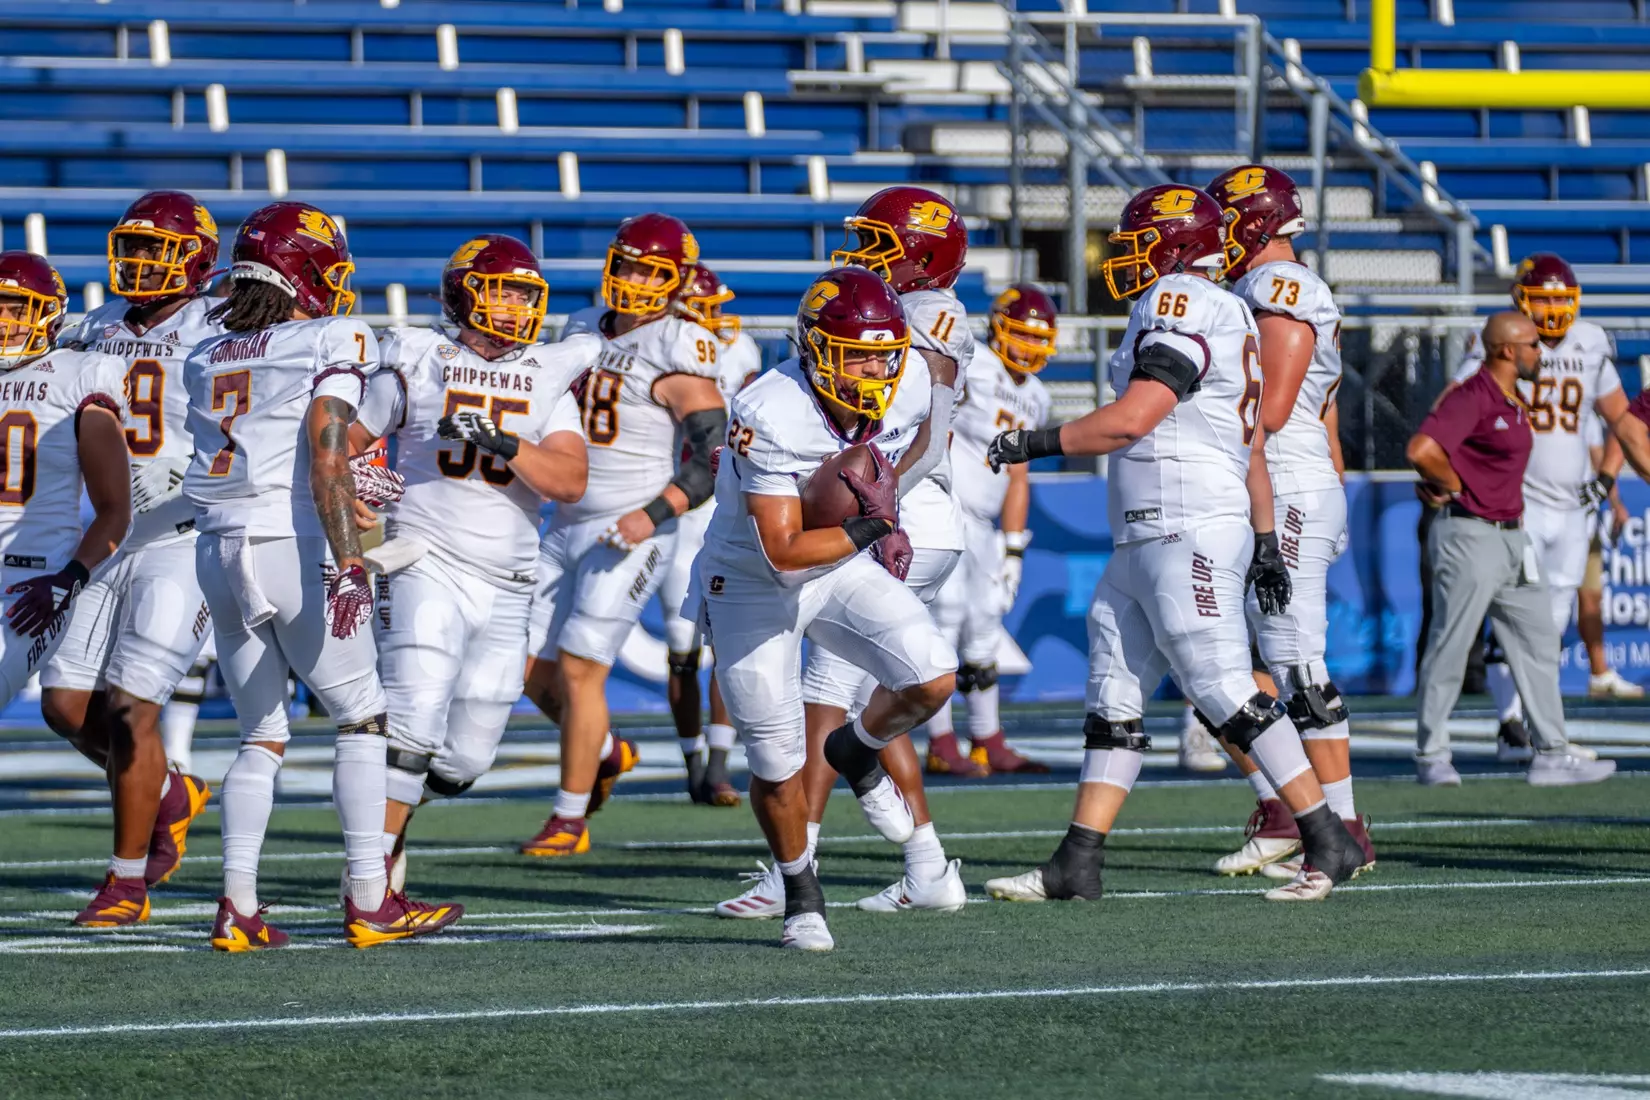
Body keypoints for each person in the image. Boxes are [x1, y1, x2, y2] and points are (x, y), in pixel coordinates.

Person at [982, 184, 1365, 905]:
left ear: (1178, 243)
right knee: (1113, 689)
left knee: (1222, 684)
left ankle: (1328, 837)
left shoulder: (1180, 302)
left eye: (1135, 241)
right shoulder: (1228, 314)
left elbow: (1134, 419)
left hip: (1180, 521)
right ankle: (1078, 860)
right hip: (1158, 528)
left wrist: (1028, 442)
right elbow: (1251, 448)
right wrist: (1262, 541)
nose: (1123, 256)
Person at [183, 201, 463, 950]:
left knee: (261, 734)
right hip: (292, 538)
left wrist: (346, 478)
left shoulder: (205, 350)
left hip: (218, 546)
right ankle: (370, 900)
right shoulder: (335, 334)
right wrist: (346, 560)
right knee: (362, 716)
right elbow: (326, 448)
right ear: (303, 271)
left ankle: (236, 907)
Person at [717, 187, 973, 922]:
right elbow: (783, 537)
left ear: (920, 256)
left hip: (898, 519)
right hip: (845, 532)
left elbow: (928, 437)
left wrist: (882, 510)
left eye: (881, 246)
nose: (864, 258)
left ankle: (800, 869)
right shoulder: (793, 391)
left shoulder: (917, 329)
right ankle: (910, 863)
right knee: (837, 705)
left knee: (830, 701)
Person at [352, 235, 592, 894]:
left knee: (463, 760)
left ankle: (377, 812)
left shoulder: (546, 376)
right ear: (463, 291)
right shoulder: (420, 359)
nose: (515, 306)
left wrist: (499, 437)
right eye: (501, 289)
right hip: (425, 558)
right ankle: (370, 885)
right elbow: (348, 439)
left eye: (524, 293)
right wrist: (356, 482)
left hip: (510, 579)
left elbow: (570, 482)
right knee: (415, 716)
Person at [520, 213, 727, 857]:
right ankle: (607, 751)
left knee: (583, 668)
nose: (635, 279)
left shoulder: (680, 344)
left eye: (651, 270)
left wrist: (652, 515)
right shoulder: (579, 324)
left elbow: (712, 458)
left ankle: (569, 817)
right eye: (629, 262)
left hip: (632, 527)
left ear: (677, 282)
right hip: (567, 519)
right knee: (524, 670)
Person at [41, 192, 223, 922]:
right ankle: (171, 792)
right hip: (108, 537)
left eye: (159, 249)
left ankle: (125, 883)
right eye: (136, 246)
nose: (143, 261)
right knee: (65, 707)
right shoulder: (93, 328)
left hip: (184, 537)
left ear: (198, 258)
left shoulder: (223, 325)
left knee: (129, 707)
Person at [1203, 164, 1373, 880]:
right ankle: (1287, 809)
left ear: (1252, 222)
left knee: (1296, 661)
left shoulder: (1283, 288)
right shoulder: (1261, 287)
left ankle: (1342, 828)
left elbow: (1266, 412)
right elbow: (1320, 409)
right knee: (1220, 660)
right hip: (1284, 481)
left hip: (1287, 482)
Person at [1407, 311, 1619, 787]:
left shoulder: (1514, 398)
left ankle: (1551, 753)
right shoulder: (1474, 395)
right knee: (1452, 645)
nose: (1539, 353)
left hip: (1511, 537)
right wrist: (1453, 483)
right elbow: (1422, 448)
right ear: (1506, 350)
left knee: (1540, 638)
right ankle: (1431, 754)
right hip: (1470, 536)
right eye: (1530, 345)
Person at [1454, 254, 1650, 752]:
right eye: (1543, 301)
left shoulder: (1590, 340)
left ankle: (1532, 722)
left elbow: (1621, 420)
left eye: (1562, 301)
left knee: (1557, 612)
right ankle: (1510, 721)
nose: (1554, 312)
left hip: (1573, 506)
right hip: (1514, 500)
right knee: (1516, 610)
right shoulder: (1497, 338)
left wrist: (1608, 476)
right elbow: (1459, 404)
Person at [0, 251, 135, 923]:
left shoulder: (78, 374)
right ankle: (162, 789)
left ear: (48, 315)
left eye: (15, 307)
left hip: (29, 582)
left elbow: (115, 505)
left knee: (71, 707)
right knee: (66, 712)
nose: (2, 321)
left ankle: (153, 794)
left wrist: (69, 578)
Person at [925, 283, 1055, 774]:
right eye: (1019, 335)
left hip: (982, 525)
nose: (1027, 348)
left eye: (1036, 339)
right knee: (947, 617)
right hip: (943, 506)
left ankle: (987, 738)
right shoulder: (973, 364)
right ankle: (940, 743)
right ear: (999, 328)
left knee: (984, 625)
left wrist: (1014, 548)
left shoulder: (1036, 396)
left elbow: (1019, 475)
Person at [656, 263, 760, 806]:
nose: (717, 318)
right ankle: (691, 759)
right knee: (681, 650)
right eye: (706, 306)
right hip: (676, 507)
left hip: (722, 506)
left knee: (722, 640)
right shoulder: (662, 347)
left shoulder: (741, 350)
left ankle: (718, 764)